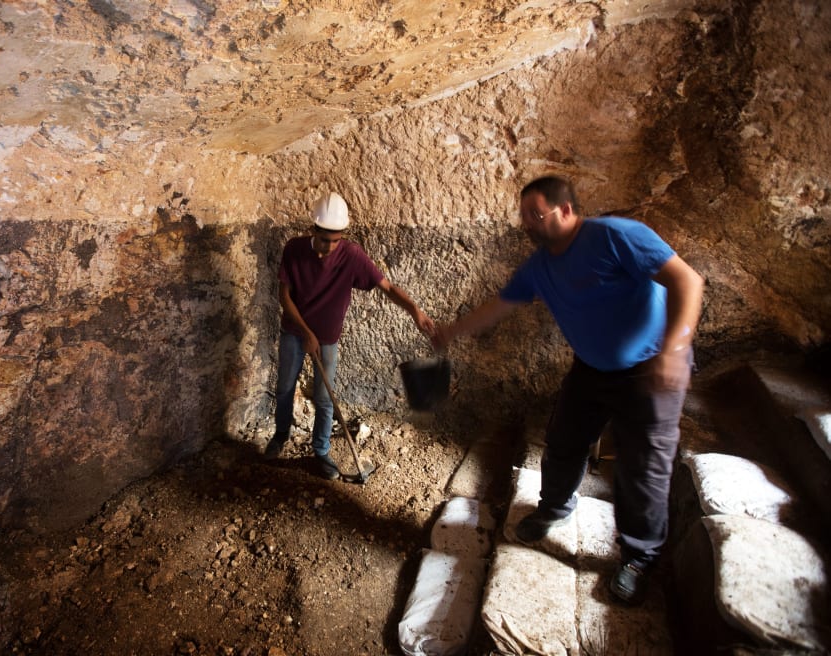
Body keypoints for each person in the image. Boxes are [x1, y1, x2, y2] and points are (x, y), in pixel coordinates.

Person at [433, 176, 703, 605]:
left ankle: (638, 556)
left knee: (642, 467)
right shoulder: (539, 267)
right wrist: (451, 332)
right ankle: (556, 507)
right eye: (523, 215)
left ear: (565, 210)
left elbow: (687, 282)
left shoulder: (617, 236)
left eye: (534, 214)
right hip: (592, 369)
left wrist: (674, 350)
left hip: (650, 367)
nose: (526, 224)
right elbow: (500, 305)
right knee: (563, 441)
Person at [264, 191, 436, 480]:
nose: (330, 246)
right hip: (295, 332)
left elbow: (388, 287)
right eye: (325, 239)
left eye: (336, 239)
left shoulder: (352, 255)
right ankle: (281, 434)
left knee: (324, 397)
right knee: (284, 388)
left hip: (328, 338)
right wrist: (306, 332)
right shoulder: (294, 249)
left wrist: (414, 309)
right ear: (313, 230)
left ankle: (321, 452)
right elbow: (285, 296)